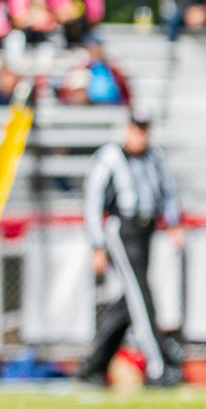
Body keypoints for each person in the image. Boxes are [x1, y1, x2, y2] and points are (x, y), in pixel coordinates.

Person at [75, 110, 185, 387]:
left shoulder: (154, 156)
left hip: (147, 230)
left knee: (129, 300)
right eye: (137, 128)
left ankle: (93, 365)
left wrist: (173, 223)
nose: (141, 135)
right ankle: (159, 364)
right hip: (122, 230)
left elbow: (168, 191)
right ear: (127, 129)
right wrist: (96, 244)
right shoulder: (110, 157)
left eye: (145, 129)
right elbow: (92, 201)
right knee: (141, 294)